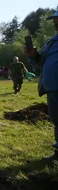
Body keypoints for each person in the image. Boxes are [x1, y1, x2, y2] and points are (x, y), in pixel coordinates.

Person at [24, 8, 58, 162]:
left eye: (57, 20)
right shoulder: (52, 42)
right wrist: (33, 56)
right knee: (57, 120)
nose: (55, 22)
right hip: (52, 88)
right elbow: (38, 62)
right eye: (55, 20)